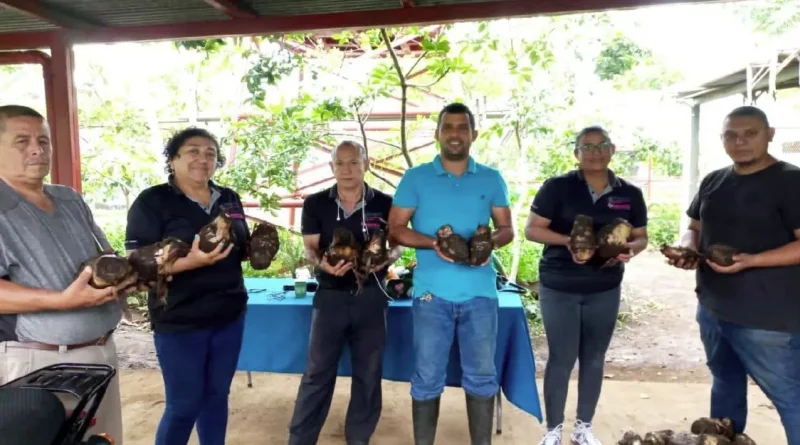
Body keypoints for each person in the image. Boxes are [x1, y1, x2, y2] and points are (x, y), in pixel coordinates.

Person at [667, 106, 800, 445]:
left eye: (750, 133)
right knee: (724, 382)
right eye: (731, 134)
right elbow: (694, 227)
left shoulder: (790, 180)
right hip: (713, 308)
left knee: (789, 398)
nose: (739, 141)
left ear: (769, 134)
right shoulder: (715, 180)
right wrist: (688, 250)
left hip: (767, 319)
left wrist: (752, 259)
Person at [388, 102, 514, 445]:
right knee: (427, 377)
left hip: (481, 295)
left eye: (462, 127)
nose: (455, 133)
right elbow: (396, 229)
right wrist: (434, 244)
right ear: (438, 134)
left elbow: (506, 229)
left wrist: (488, 244)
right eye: (448, 127)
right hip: (431, 295)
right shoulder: (416, 178)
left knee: (482, 377)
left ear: (473, 134)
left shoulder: (491, 178)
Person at [0, 105, 124, 443]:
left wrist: (134, 274)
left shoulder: (69, 198)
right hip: (40, 362)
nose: (37, 150)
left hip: (101, 351)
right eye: (21, 141)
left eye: (43, 140)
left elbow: (106, 258)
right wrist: (61, 301)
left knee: (104, 441)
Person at [125, 127, 249, 445]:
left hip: (228, 314)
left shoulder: (229, 198)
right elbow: (137, 262)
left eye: (210, 153)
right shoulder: (152, 201)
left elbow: (242, 246)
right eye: (193, 151)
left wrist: (258, 247)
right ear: (173, 160)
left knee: (217, 396)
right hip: (179, 319)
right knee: (183, 405)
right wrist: (190, 263)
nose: (203, 159)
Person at [525, 126, 648, 445]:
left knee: (594, 357)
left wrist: (630, 249)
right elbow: (533, 230)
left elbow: (641, 236)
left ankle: (583, 428)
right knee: (561, 357)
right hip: (559, 284)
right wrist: (571, 242)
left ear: (613, 149)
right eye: (587, 146)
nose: (595, 151)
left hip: (604, 286)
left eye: (602, 145)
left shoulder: (629, 193)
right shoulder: (557, 187)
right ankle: (553, 430)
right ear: (576, 152)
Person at [288, 140, 402, 445]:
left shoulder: (386, 203)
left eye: (354, 162)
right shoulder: (315, 204)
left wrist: (385, 260)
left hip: (372, 297)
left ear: (366, 164)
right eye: (341, 163)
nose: (348, 169)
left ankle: (359, 437)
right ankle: (301, 439)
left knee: (368, 372)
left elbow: (399, 244)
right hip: (330, 296)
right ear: (332, 167)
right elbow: (311, 249)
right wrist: (322, 264)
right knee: (317, 373)